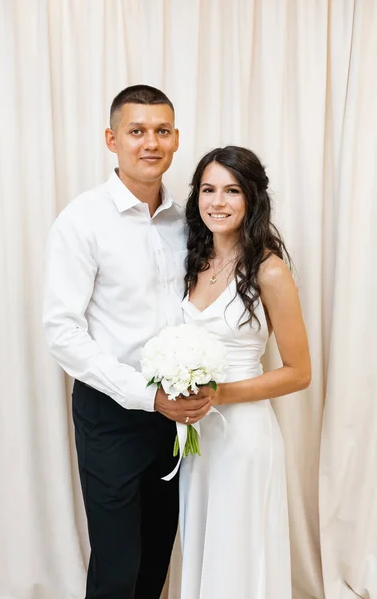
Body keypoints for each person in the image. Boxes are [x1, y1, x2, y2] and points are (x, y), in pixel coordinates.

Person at [42, 85, 212, 599]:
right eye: (137, 131)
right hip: (111, 414)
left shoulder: (189, 221)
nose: (150, 143)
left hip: (175, 415)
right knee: (118, 563)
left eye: (161, 131)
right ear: (112, 139)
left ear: (177, 139)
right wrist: (145, 394)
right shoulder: (82, 220)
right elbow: (61, 331)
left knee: (159, 551)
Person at [178, 146, 311, 599]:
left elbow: (299, 372)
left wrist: (218, 393)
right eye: (208, 190)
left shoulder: (269, 270)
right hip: (197, 438)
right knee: (206, 543)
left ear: (252, 199)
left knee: (238, 550)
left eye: (231, 191)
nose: (217, 202)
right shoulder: (194, 261)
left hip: (244, 436)